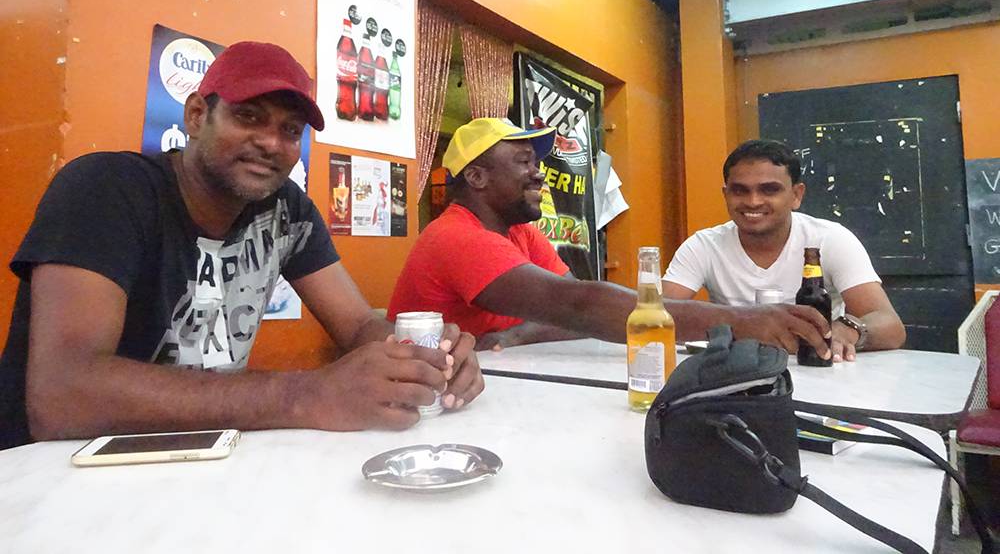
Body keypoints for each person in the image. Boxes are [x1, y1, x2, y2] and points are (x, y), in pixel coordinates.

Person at [0, 42, 483, 451]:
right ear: (196, 115)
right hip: (55, 478)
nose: (272, 143)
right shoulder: (107, 188)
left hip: (201, 464)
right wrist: (305, 395)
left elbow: (356, 323)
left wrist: (423, 360)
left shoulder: (286, 209)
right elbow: (63, 394)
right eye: (249, 116)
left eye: (291, 131)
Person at [388, 118, 834, 355]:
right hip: (436, 401)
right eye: (523, 161)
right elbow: (578, 306)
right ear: (478, 176)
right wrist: (743, 322)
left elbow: (570, 307)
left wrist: (523, 334)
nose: (538, 172)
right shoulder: (456, 237)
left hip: (502, 378)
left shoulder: (520, 231)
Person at [662, 139, 906, 362]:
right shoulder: (704, 245)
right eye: (740, 190)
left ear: (796, 195)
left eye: (769, 190)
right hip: (735, 376)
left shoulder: (830, 239)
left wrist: (851, 329)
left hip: (821, 372)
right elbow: (657, 314)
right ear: (725, 195)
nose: (753, 201)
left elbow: (890, 326)